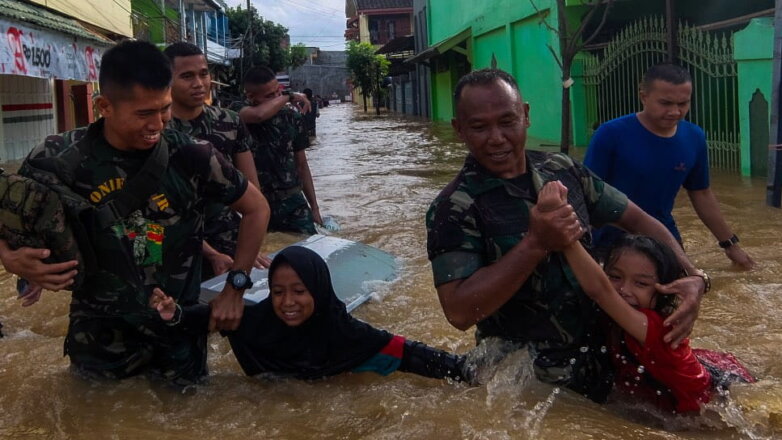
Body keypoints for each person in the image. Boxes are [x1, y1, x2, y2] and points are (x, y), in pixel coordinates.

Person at [426, 68, 709, 402]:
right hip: (532, 385)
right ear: (459, 130)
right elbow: (459, 312)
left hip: (608, 362)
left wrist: (693, 279)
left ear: (526, 115)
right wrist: (534, 244)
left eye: (507, 121)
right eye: (479, 126)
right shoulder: (454, 208)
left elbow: (640, 221)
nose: (496, 137)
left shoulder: (562, 170)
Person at [0, 40, 267, 386]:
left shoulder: (194, 156)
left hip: (178, 330)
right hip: (98, 335)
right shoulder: (56, 157)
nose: (158, 124)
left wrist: (235, 289)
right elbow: (9, 213)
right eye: (144, 113)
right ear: (104, 106)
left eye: (165, 109)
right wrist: (9, 258)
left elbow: (257, 208)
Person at [538, 180, 754, 413]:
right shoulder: (619, 319)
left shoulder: (652, 327)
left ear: (665, 288)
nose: (624, 290)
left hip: (713, 397)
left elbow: (600, 290)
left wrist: (563, 232)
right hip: (697, 371)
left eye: (641, 283)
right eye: (615, 276)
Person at [150, 246, 473, 383]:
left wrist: (466, 370)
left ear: (318, 290)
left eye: (300, 291)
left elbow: (408, 354)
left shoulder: (349, 334)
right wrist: (173, 313)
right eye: (278, 292)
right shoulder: (255, 321)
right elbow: (206, 318)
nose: (287, 302)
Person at [584, 63, 754, 269]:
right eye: (665, 103)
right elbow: (586, 193)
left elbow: (701, 193)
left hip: (664, 237)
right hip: (608, 240)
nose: (675, 111)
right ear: (643, 96)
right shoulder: (610, 134)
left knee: (686, 287)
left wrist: (730, 245)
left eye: (683, 103)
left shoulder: (694, 137)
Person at [163, 42, 271, 276]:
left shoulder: (230, 121)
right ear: (167, 80)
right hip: (177, 247)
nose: (199, 84)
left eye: (204, 74)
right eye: (187, 76)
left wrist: (250, 249)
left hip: (230, 244)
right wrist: (210, 254)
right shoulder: (157, 128)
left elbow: (253, 192)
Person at [232, 66, 323, 234]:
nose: (276, 98)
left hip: (293, 202)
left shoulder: (291, 117)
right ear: (250, 97)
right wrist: (289, 96)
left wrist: (315, 208)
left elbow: (301, 165)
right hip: (255, 205)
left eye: (278, 91)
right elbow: (259, 115)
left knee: (309, 250)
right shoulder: (236, 112)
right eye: (269, 95)